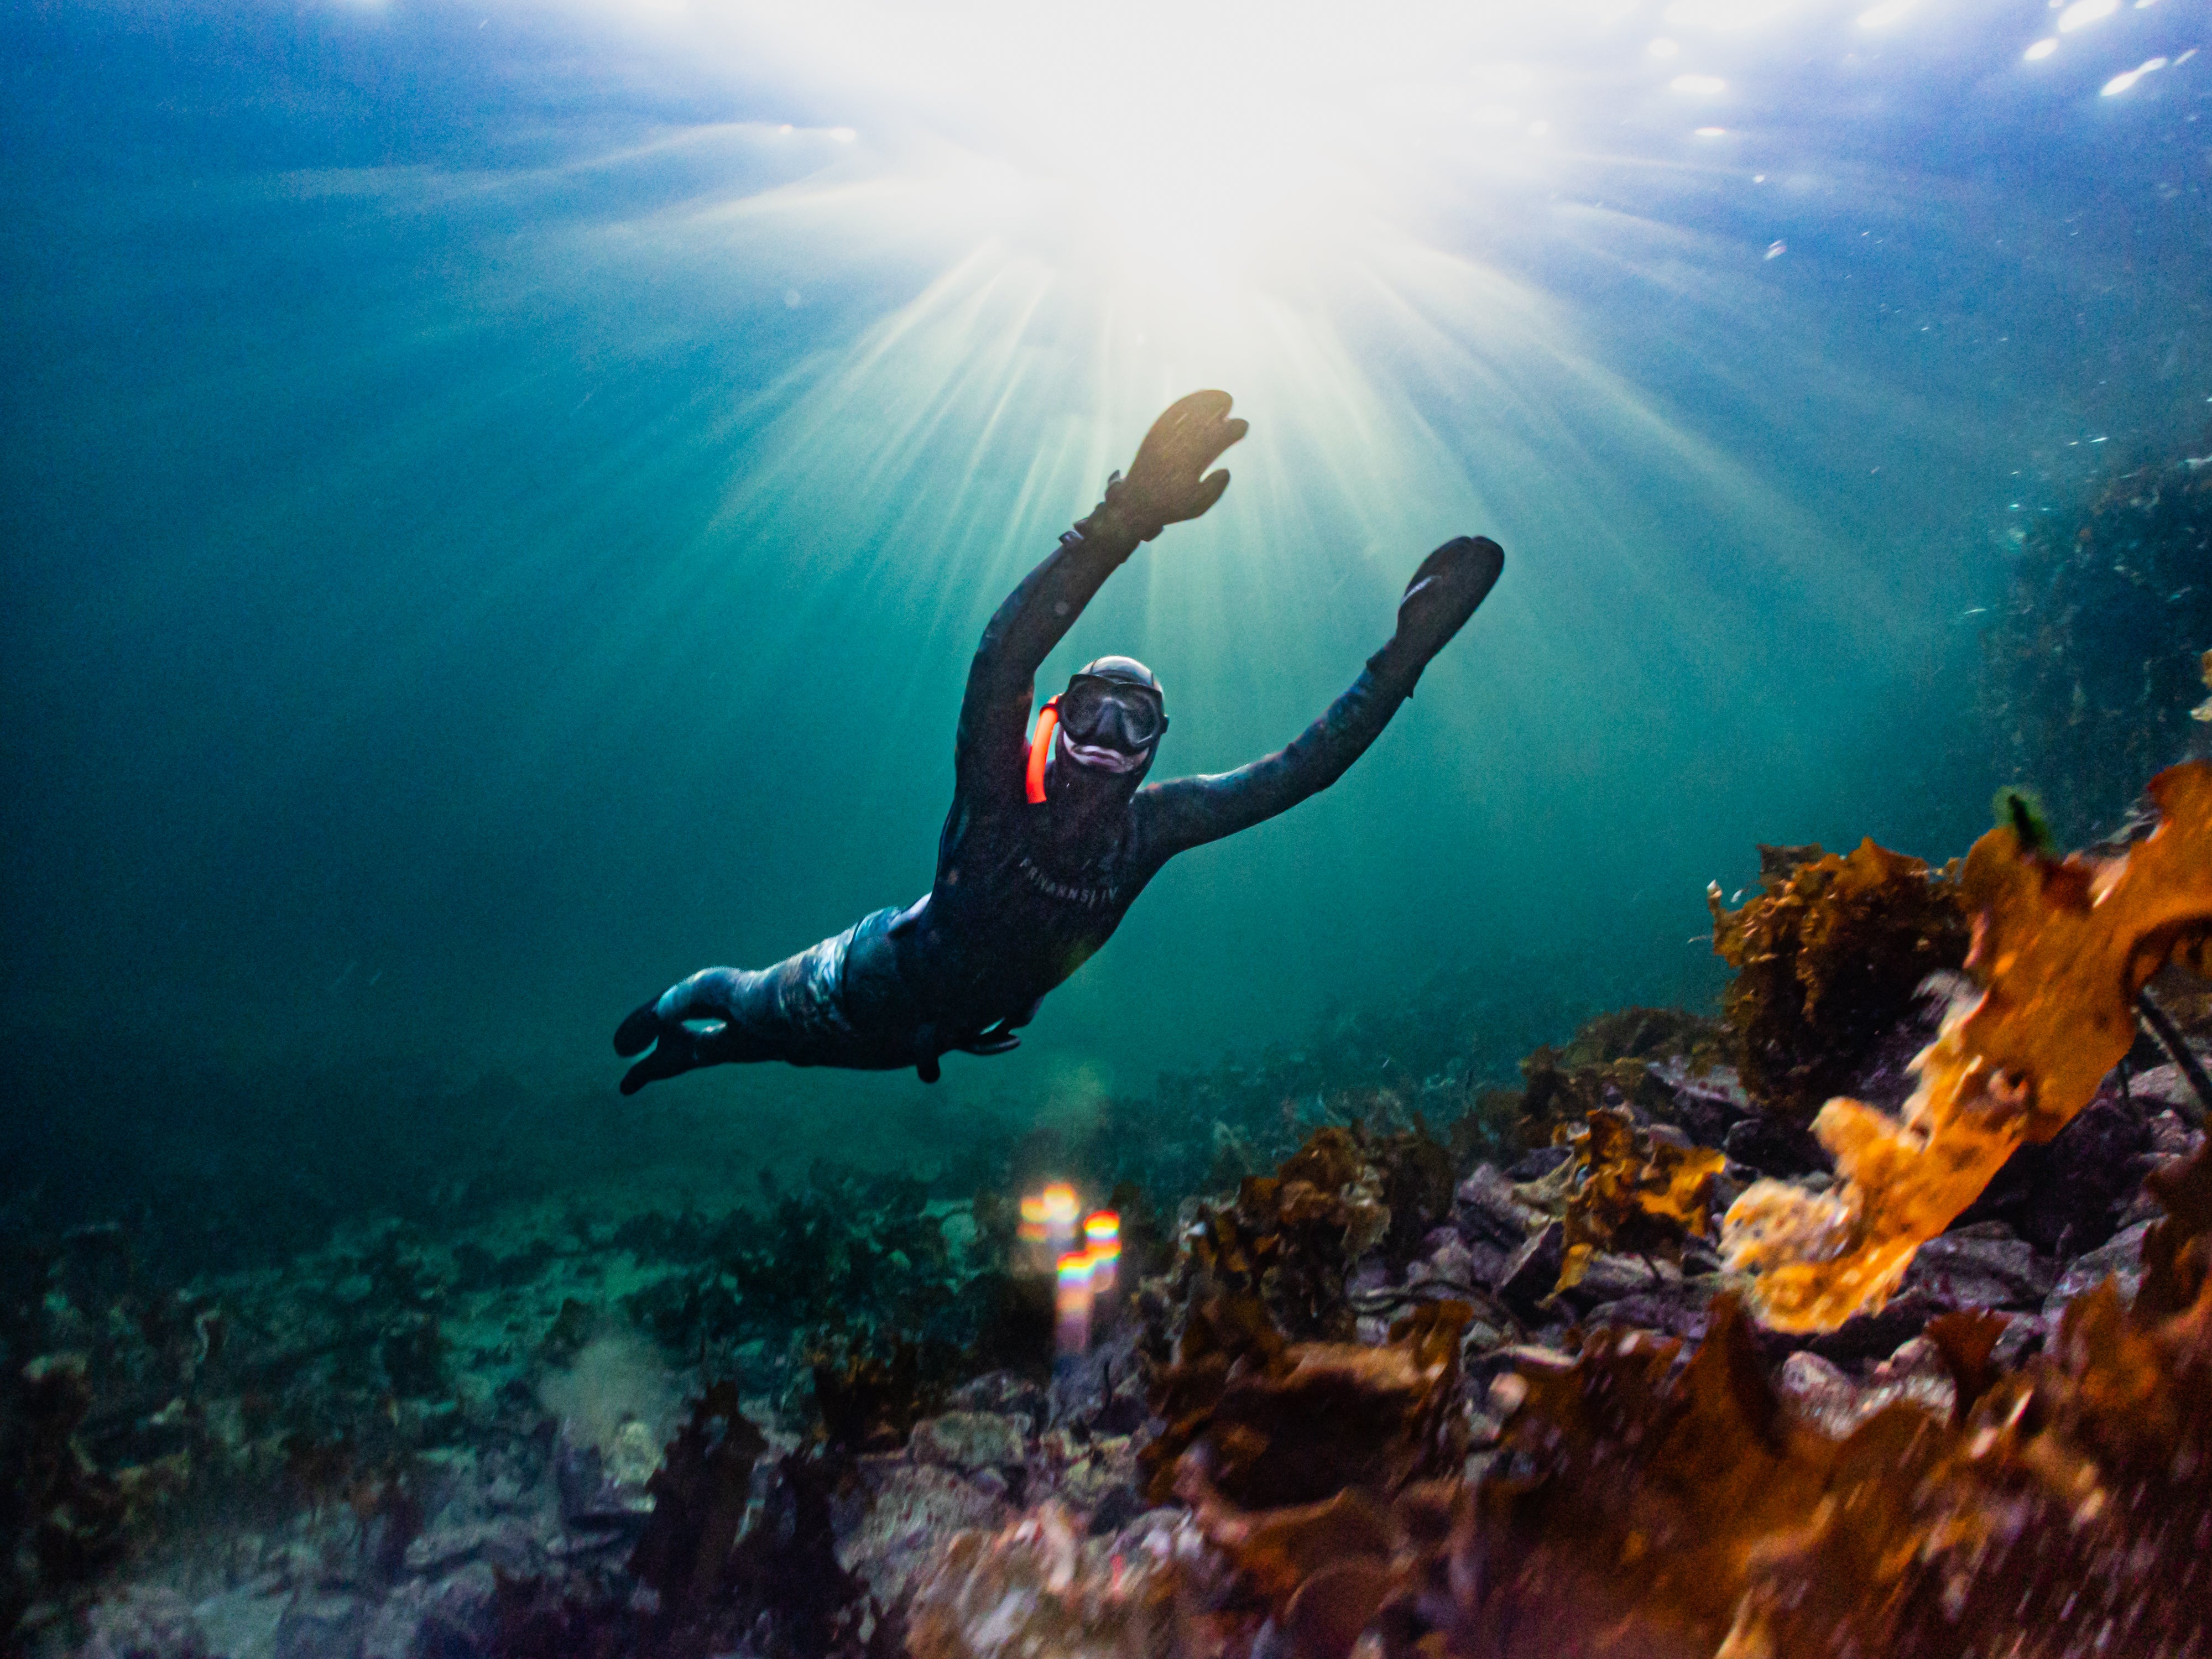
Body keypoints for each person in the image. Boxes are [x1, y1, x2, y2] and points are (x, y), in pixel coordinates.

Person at [614, 390, 1504, 1091]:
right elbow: (1002, 663)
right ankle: (678, 1000)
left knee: (779, 1056)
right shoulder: (999, 792)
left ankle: (694, 1055)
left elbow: (1297, 774)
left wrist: (1399, 665)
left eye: (1135, 723)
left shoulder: (1152, 828)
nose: (1108, 739)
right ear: (1057, 720)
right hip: (856, 981)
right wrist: (1118, 524)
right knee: (753, 1007)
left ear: (1157, 744)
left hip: (944, 1036)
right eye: (1090, 713)